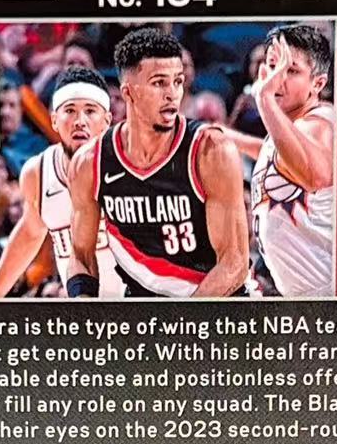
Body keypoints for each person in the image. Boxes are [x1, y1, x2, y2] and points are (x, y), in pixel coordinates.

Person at [69, 27, 249, 299]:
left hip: (215, 305)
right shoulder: (90, 162)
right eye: (159, 83)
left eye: (177, 81)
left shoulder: (211, 150)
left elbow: (234, 263)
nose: (173, 94)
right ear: (128, 93)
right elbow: (81, 255)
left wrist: (178, 321)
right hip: (143, 307)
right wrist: (82, 304)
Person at [0, 67, 118, 299]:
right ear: (54, 120)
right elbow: (31, 232)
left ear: (106, 121)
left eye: (90, 111)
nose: (80, 121)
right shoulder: (38, 172)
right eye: (70, 110)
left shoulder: (128, 166)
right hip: (80, 311)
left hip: (135, 308)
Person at [250, 24, 336, 297]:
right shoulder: (286, 127)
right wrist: (228, 136)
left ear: (317, 83)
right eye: (273, 66)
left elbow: (316, 176)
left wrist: (264, 99)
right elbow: (279, 161)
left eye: (291, 70)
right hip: (297, 297)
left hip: (326, 297)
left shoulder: (320, 121)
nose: (277, 78)